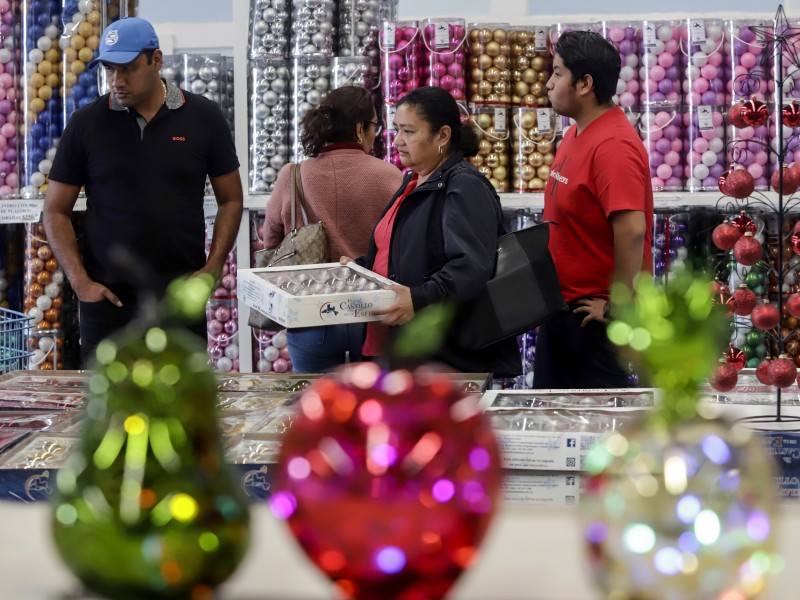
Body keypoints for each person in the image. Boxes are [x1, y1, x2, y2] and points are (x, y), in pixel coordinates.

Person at [42, 17, 243, 365]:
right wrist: (80, 283)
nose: (116, 81)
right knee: (105, 415)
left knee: (181, 409)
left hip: (179, 301)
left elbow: (231, 198)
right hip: (107, 304)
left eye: (128, 68)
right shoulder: (86, 123)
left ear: (156, 60)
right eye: (109, 69)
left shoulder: (204, 117)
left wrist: (213, 267)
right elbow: (54, 210)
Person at [350, 86, 521, 378]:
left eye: (409, 131)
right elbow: (402, 252)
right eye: (396, 130)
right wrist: (358, 270)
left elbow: (470, 267)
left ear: (443, 135)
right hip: (406, 349)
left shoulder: (464, 186)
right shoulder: (413, 181)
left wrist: (419, 298)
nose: (398, 141)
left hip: (448, 358)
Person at [533, 30, 654, 389]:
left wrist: (618, 308)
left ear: (584, 83)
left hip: (593, 322)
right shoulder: (574, 134)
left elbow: (632, 230)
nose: (548, 83)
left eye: (557, 73)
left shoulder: (613, 145)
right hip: (561, 310)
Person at [263, 86, 404, 373]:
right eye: (375, 126)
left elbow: (270, 237)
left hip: (311, 313)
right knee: (375, 405)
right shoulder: (389, 176)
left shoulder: (293, 175)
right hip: (373, 315)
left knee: (318, 406)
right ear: (359, 128)